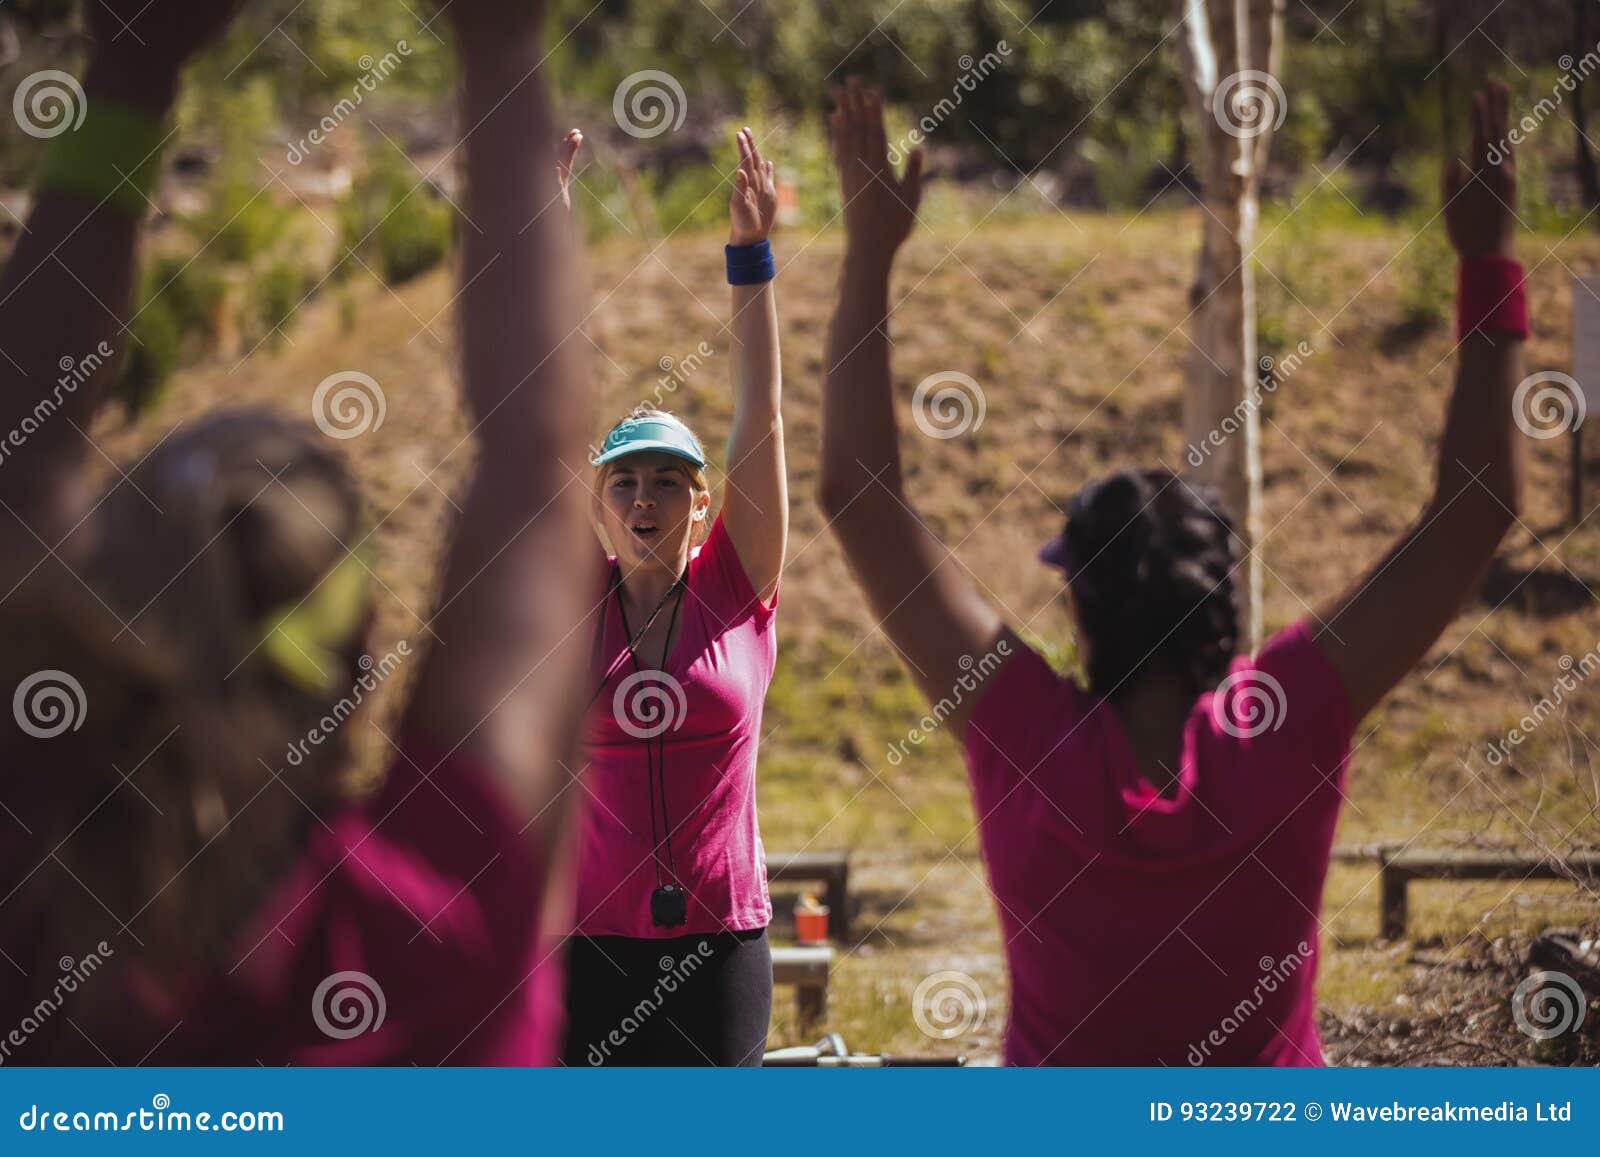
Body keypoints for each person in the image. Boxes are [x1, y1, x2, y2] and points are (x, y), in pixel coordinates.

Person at [817, 77, 1525, 1065]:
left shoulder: (1021, 727)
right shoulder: (1286, 717)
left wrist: (869, 251)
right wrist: (1488, 258)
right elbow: (1477, 505)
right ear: (1224, 608)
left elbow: (856, 497)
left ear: (1082, 607)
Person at [0, 0, 593, 1064]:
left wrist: (130, 71)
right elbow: (537, 469)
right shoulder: (424, 919)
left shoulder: (34, 882)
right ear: (363, 654)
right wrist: (503, 40)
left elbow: (22, 454)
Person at [561, 128, 786, 1067]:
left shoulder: (737, 590)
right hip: (586, 947)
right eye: (625, 482)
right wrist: (550, 219)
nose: (644, 497)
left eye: (667, 481)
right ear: (599, 504)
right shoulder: (573, 600)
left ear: (703, 504)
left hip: (721, 945)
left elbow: (761, 417)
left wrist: (751, 261)